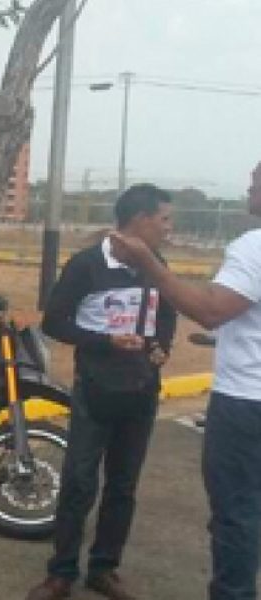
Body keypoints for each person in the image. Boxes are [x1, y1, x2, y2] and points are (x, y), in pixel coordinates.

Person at [107, 164, 261, 600]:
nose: (249, 187)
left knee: (236, 513)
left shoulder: (254, 246)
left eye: (256, 181)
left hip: (246, 402)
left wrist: (149, 264)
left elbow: (210, 309)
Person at [26, 184, 178, 600]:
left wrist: (162, 347)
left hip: (142, 391)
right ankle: (61, 573)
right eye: (163, 219)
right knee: (78, 481)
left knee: (123, 486)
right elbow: (54, 322)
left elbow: (166, 313)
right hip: (95, 391)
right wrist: (105, 341)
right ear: (139, 220)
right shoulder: (86, 266)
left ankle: (104, 568)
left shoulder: (155, 266)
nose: (169, 227)